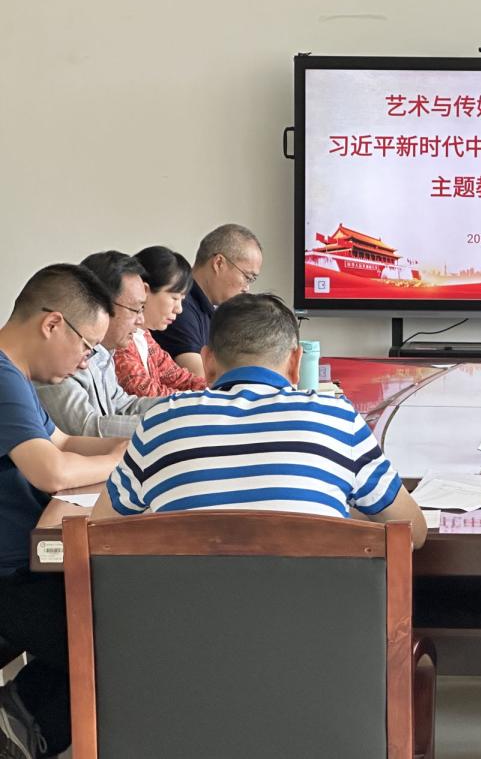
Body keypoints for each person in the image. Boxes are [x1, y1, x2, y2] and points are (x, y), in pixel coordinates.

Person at [91, 293, 427, 548]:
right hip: (313, 621)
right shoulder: (338, 419)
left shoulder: (161, 422)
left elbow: (99, 532)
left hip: (183, 621)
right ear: (296, 363)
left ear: (208, 362)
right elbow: (413, 531)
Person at [0, 264, 129, 759]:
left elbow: (63, 441)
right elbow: (51, 471)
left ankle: (21, 716)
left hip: (25, 566)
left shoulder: (16, 377)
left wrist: (130, 446)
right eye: (88, 347)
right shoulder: (2, 377)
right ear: (53, 323)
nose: (84, 363)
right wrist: (118, 459)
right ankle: (23, 728)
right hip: (11, 577)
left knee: (120, 614)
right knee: (123, 642)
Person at [35, 252, 162, 438]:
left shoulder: (103, 352)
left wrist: (178, 407)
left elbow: (124, 406)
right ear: (100, 304)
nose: (141, 320)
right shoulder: (60, 355)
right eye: (136, 309)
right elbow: (85, 429)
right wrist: (165, 425)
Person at [152, 224, 263, 378]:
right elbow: (201, 378)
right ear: (218, 263)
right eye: (247, 277)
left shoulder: (211, 309)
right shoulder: (181, 308)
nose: (247, 288)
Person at [113, 245, 207, 397]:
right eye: (174, 298)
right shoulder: (119, 339)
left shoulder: (145, 337)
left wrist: (218, 389)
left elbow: (180, 378)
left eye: (182, 300)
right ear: (144, 290)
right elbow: (146, 393)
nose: (179, 309)